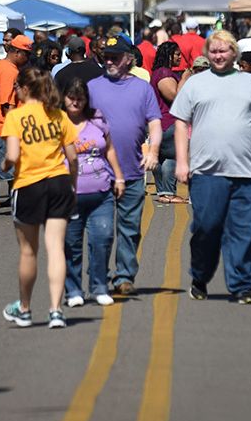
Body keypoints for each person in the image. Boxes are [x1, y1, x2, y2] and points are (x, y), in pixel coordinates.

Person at [171, 29, 251, 304]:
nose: (218, 55)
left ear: (234, 53)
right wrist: (182, 161)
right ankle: (200, 275)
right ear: (207, 53)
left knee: (243, 230)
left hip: (248, 172)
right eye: (213, 50)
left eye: (224, 50)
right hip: (207, 172)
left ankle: (241, 285)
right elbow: (180, 122)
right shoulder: (195, 83)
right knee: (207, 226)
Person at [1, 68, 78, 329]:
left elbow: (12, 156)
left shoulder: (15, 116)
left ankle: (24, 308)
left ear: (24, 88)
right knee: (55, 247)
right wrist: (73, 184)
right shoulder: (58, 115)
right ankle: (56, 310)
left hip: (29, 184)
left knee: (28, 250)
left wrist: (3, 166)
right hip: (58, 182)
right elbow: (73, 157)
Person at [88, 35, 162, 295]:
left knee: (129, 229)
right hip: (98, 173)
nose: (109, 60)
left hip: (132, 171)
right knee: (102, 230)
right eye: (106, 56)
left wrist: (153, 151)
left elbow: (155, 122)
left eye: (115, 56)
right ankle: (97, 277)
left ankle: (124, 277)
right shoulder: (93, 87)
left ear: (128, 59)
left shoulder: (143, 89)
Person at [62, 79, 125, 307]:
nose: (75, 101)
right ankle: (73, 290)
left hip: (101, 192)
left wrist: (119, 176)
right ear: (63, 97)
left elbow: (109, 149)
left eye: (80, 97)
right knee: (71, 244)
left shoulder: (97, 119)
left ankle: (99, 286)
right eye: (71, 96)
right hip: (69, 196)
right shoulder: (57, 122)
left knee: (103, 238)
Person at [0, 35, 33, 209]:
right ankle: (19, 201)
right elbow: (7, 105)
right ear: (17, 52)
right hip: (0, 126)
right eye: (26, 54)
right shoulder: (11, 71)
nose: (28, 58)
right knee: (11, 167)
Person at [150, 41, 191, 204]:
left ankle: (163, 192)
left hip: (159, 123)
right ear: (168, 55)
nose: (180, 57)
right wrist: (185, 77)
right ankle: (168, 192)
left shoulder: (159, 72)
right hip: (168, 122)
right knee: (173, 156)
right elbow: (176, 97)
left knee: (161, 157)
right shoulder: (164, 74)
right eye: (177, 54)